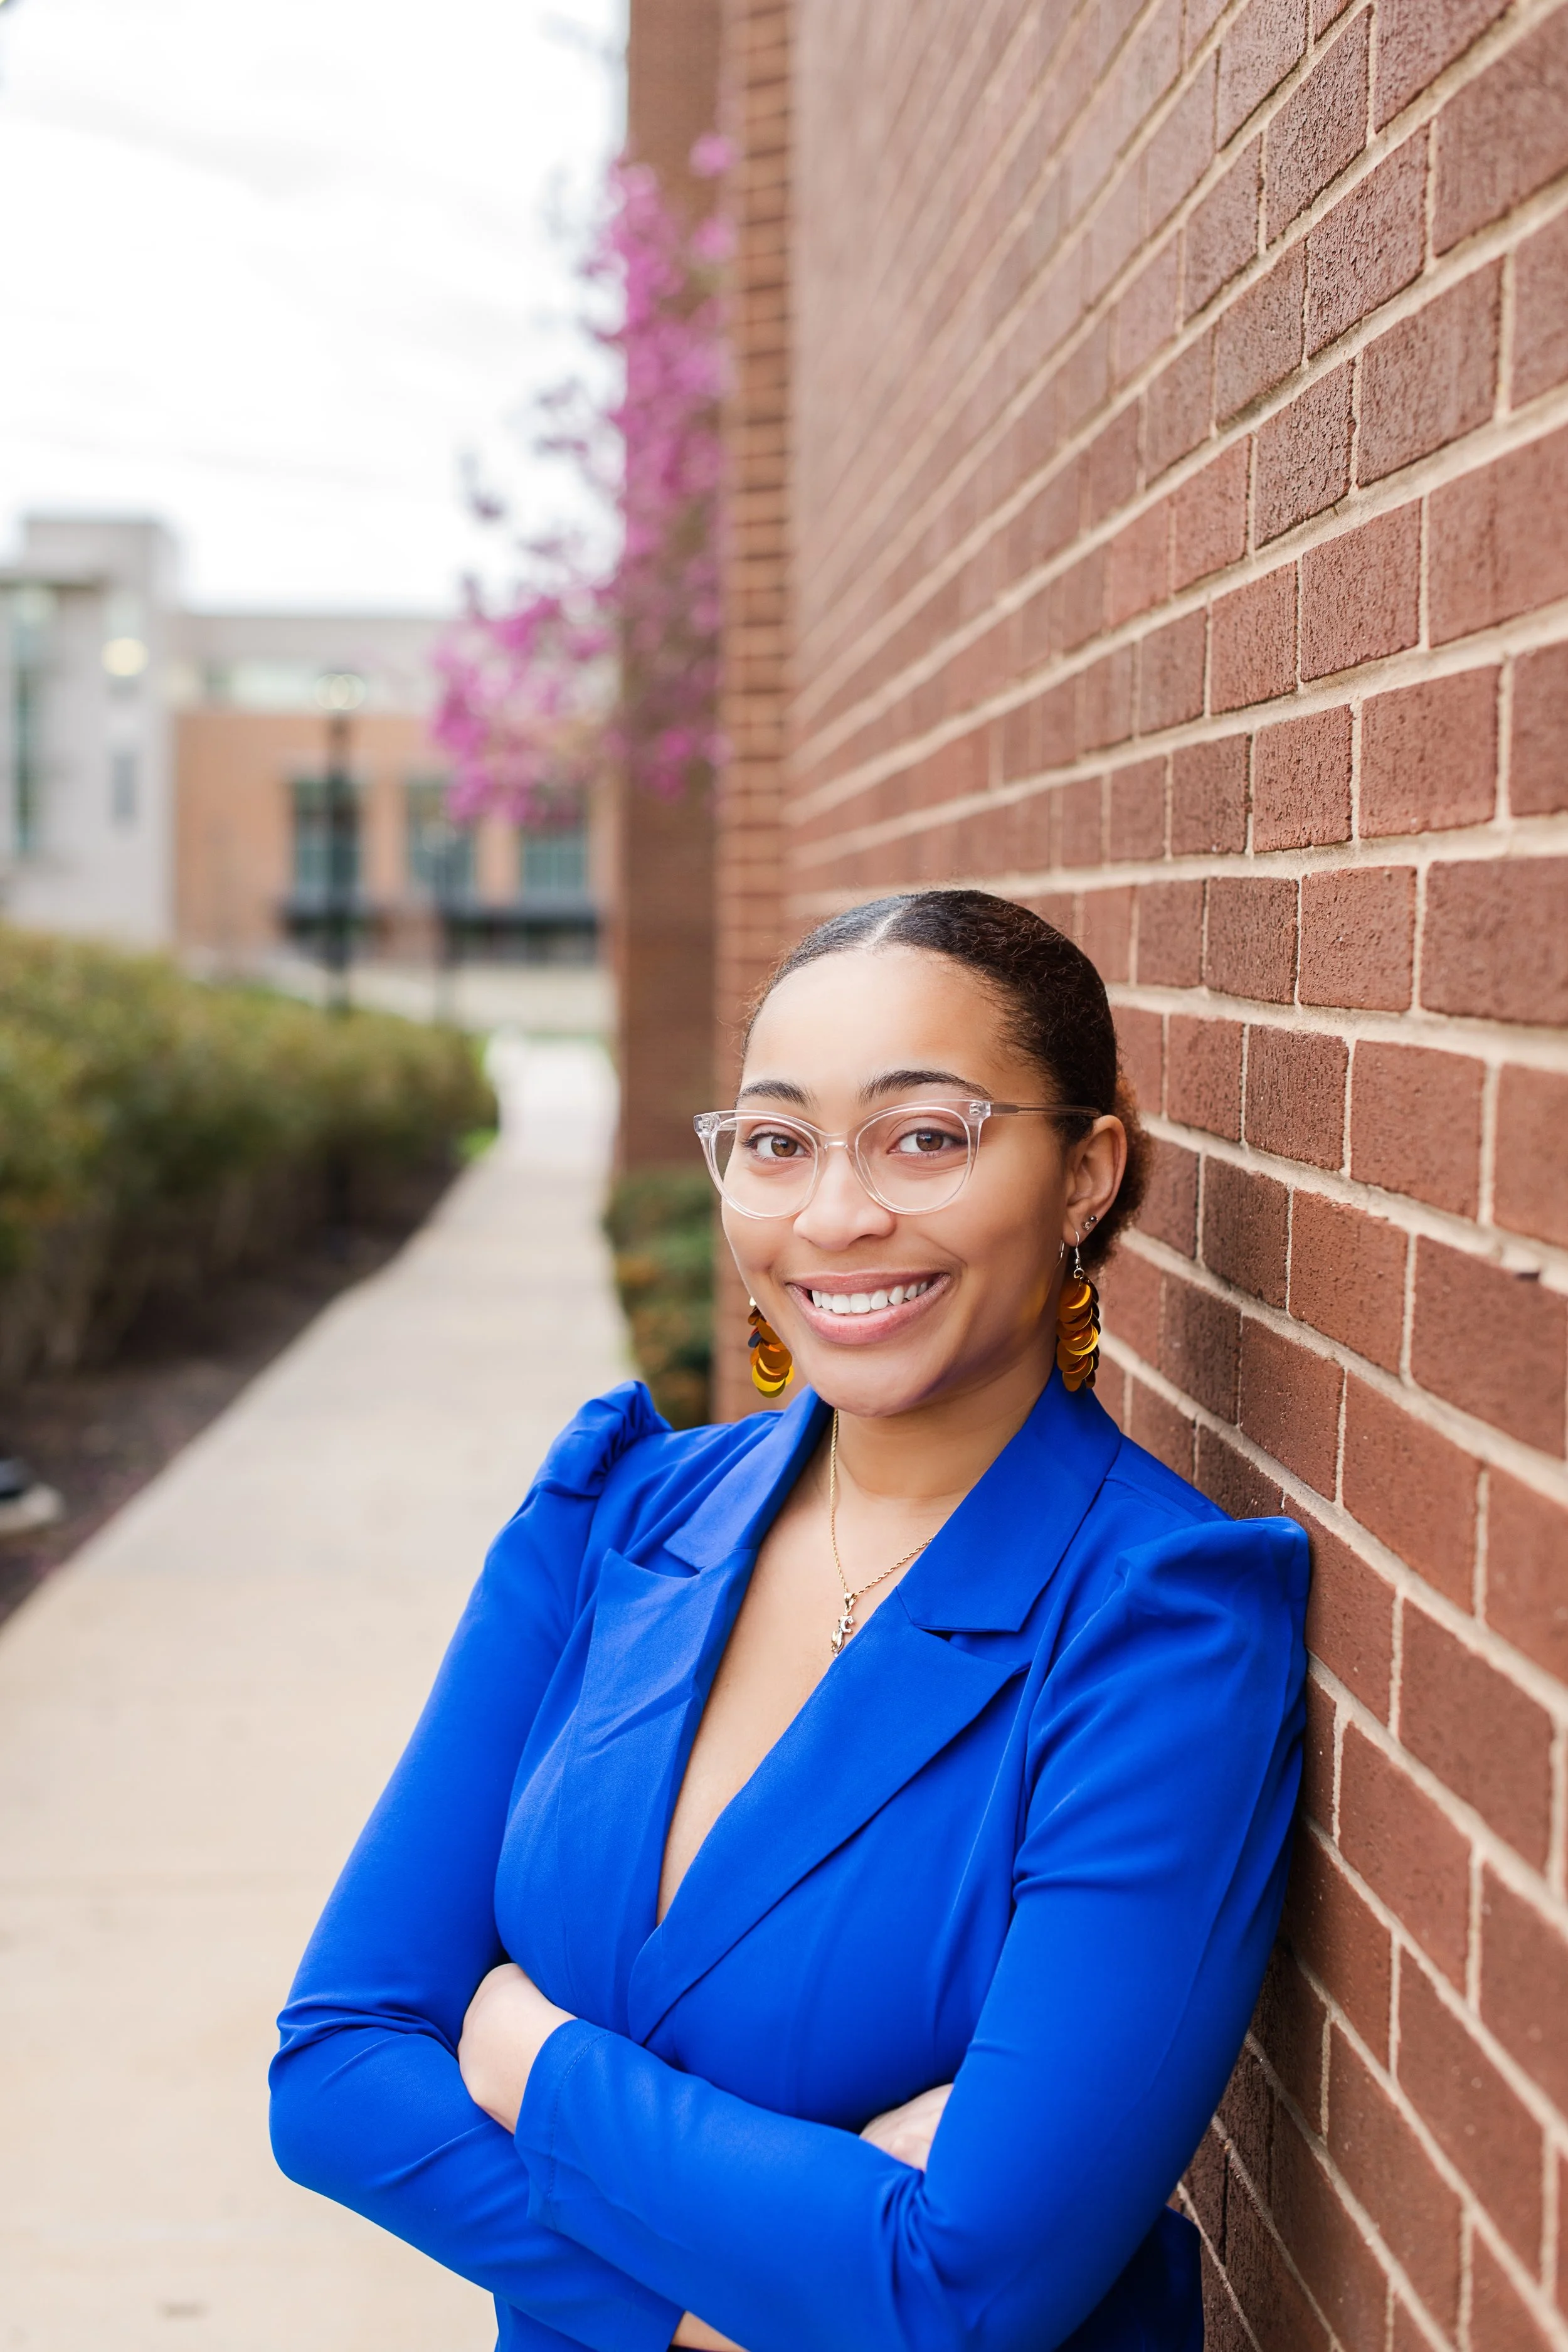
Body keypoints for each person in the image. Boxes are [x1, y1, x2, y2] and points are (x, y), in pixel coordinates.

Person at [270, 887, 1308, 2352]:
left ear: (1085, 1174)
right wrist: (753, 2307)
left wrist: (525, 2051)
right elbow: (334, 2075)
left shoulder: (1158, 1625)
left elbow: (965, 2296)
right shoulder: (615, 1514)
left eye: (925, 1137)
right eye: (775, 1142)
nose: (833, 1215)